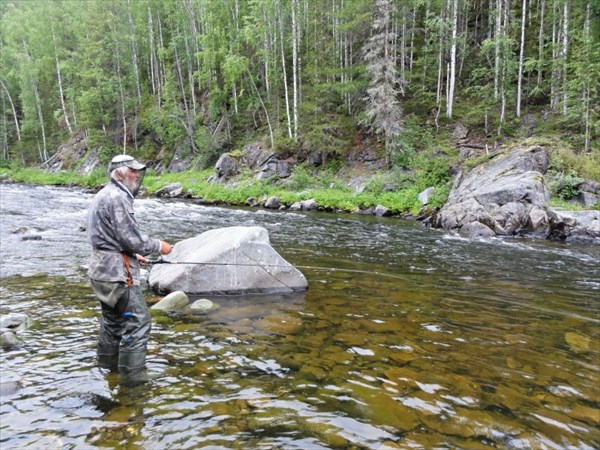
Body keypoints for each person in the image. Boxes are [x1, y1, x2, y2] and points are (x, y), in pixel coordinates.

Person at [87, 154, 172, 382]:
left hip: (100, 272)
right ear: (119, 173)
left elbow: (108, 237)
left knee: (112, 323)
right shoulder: (118, 197)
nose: (137, 175)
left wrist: (133, 255)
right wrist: (159, 246)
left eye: (138, 171)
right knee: (139, 322)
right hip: (117, 275)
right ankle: (133, 382)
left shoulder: (104, 194)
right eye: (132, 171)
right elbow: (132, 238)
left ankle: (107, 371)